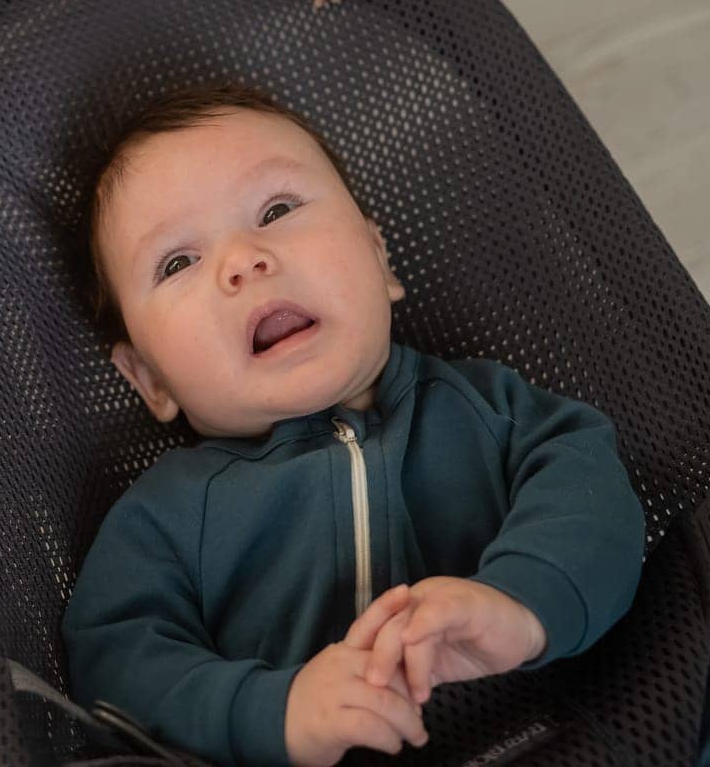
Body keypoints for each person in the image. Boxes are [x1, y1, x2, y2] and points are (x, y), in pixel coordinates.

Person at [61, 82, 646, 767]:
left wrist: (519, 605)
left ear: (379, 258)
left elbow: (595, 506)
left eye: (276, 209)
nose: (243, 260)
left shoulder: (494, 410)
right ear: (150, 379)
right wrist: (272, 710)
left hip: (583, 735)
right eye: (178, 262)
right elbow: (115, 666)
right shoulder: (164, 517)